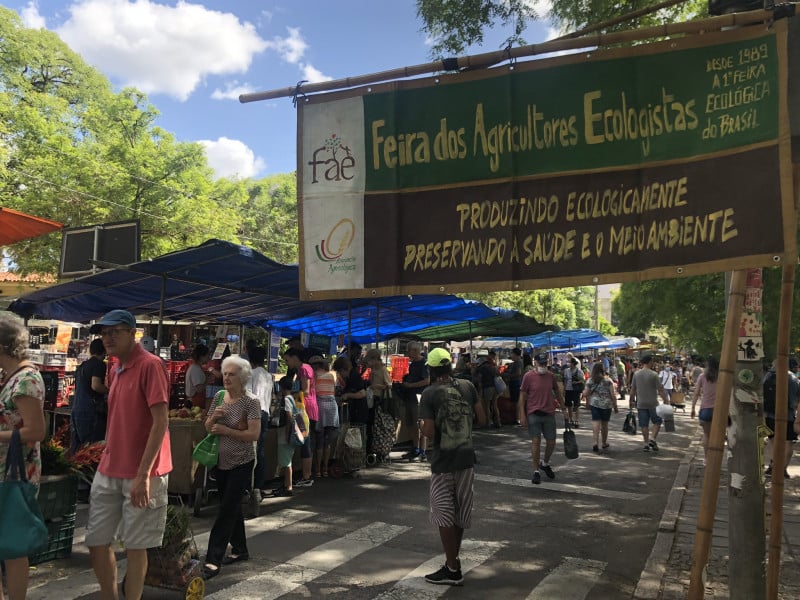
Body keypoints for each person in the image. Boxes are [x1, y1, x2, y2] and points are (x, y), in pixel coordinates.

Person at [85, 309, 172, 600]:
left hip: (143, 472)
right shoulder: (114, 367)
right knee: (97, 541)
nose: (107, 338)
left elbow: (161, 421)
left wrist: (143, 474)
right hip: (109, 468)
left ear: (132, 333)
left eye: (115, 332)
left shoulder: (150, 365)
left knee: (136, 546)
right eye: (104, 333)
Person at [419, 347, 484, 586]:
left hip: (443, 461)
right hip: (467, 459)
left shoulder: (429, 393)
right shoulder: (468, 387)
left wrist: (426, 425)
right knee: (458, 513)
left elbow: (428, 430)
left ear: (432, 369)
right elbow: (483, 418)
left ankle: (453, 568)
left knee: (443, 513)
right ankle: (451, 562)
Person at [0, 315, 46, 600]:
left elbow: (36, 430)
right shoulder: (12, 376)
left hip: (15, 473)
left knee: (13, 545)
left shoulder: (26, 378)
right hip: (7, 471)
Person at [202, 355, 260, 579]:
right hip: (221, 460)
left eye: (232, 374)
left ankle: (213, 559)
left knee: (226, 509)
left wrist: (227, 431)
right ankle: (240, 549)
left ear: (243, 377)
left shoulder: (251, 401)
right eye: (225, 373)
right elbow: (208, 428)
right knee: (232, 506)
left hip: (242, 462)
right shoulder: (218, 397)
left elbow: (254, 434)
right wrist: (213, 419)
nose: (226, 378)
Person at [519, 353, 566, 484]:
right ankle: (536, 471)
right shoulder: (528, 377)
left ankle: (544, 463)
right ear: (535, 363)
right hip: (533, 413)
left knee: (551, 442)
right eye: (541, 364)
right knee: (536, 442)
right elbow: (522, 395)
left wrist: (564, 409)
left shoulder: (550, 376)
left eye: (545, 363)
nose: (543, 366)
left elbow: (557, 392)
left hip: (549, 413)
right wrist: (522, 414)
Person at [283, 348, 317, 486]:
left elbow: (306, 391)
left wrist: (290, 396)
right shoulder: (304, 368)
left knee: (305, 443)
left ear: (294, 357)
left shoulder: (303, 369)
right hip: (306, 409)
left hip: (304, 410)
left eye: (287, 360)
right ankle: (306, 474)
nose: (286, 363)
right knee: (305, 443)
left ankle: (306, 476)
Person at [71, 338, 109, 455]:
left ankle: (75, 471)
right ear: (104, 351)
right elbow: (96, 385)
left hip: (76, 409)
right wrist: (111, 391)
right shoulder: (99, 365)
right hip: (90, 411)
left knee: (78, 448)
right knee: (92, 448)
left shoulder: (82, 366)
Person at [763, 358, 799, 479]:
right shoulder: (794, 379)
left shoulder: (769, 376)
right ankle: (783, 468)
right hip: (789, 415)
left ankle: (773, 465)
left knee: (772, 440)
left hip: (771, 415)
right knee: (789, 442)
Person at [247, 346, 273, 497]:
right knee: (260, 450)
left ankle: (248, 483)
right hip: (265, 413)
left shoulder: (251, 374)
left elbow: (248, 396)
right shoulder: (268, 375)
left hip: (254, 413)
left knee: (250, 449)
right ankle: (258, 484)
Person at [630, 354, 669, 452]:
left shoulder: (636, 374)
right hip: (653, 403)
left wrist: (631, 400)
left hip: (641, 403)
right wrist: (666, 400)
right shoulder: (654, 374)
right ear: (650, 362)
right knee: (657, 421)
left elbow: (633, 389)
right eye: (652, 361)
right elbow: (660, 389)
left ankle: (646, 443)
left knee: (644, 424)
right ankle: (653, 438)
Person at [309, 355, 339, 477]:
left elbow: (313, 392)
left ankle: (317, 470)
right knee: (327, 441)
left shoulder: (314, 376)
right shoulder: (331, 375)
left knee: (319, 439)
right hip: (332, 406)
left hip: (320, 406)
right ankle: (325, 468)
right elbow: (333, 391)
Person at [401, 342, 430, 460]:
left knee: (420, 424)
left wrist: (411, 385)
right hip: (410, 397)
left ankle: (422, 451)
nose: (408, 352)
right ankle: (415, 448)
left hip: (419, 397)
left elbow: (427, 381)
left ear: (416, 351)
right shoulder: (412, 364)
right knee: (411, 424)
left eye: (409, 350)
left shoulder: (424, 364)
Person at [270, 377, 298, 497]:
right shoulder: (292, 398)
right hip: (290, 434)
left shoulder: (286, 399)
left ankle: (289, 487)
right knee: (287, 461)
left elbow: (289, 417)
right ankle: (286, 484)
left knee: (286, 462)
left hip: (286, 434)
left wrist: (287, 434)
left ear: (281, 387)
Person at [582, 362, 618, 453]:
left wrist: (583, 393)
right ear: (603, 370)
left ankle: (595, 442)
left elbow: (586, 393)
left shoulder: (590, 380)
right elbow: (613, 394)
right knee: (605, 424)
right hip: (607, 405)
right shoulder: (608, 380)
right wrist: (615, 405)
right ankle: (604, 442)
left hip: (595, 404)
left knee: (595, 422)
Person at [691, 355, 718, 466]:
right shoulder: (723, 376)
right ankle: (716, 459)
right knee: (717, 435)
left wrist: (693, 408)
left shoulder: (702, 376)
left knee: (707, 435)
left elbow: (696, 393)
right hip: (719, 411)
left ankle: (707, 459)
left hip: (705, 409)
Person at [185, 344, 213, 410]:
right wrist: (207, 380)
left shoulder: (197, 368)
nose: (209, 358)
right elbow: (199, 389)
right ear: (201, 356)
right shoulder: (195, 369)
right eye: (207, 355)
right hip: (195, 404)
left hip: (197, 403)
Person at [476, 351, 498, 428]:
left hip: (487, 387)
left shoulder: (481, 368)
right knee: (495, 405)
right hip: (494, 387)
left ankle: (488, 422)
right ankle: (498, 422)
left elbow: (479, 379)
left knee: (486, 406)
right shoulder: (492, 366)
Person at [503, 348, 524, 428]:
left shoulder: (518, 362)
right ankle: (516, 418)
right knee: (515, 402)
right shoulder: (514, 363)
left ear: (515, 354)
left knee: (517, 402)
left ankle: (518, 419)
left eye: (512, 353)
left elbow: (518, 374)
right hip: (513, 383)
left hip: (516, 383)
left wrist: (508, 375)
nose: (511, 355)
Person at [562, 357, 584, 429]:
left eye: (570, 362)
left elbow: (582, 380)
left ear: (574, 364)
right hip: (568, 389)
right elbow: (565, 381)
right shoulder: (566, 371)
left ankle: (576, 420)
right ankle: (571, 419)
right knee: (569, 406)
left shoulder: (579, 371)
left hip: (576, 390)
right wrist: (564, 390)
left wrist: (576, 382)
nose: (568, 363)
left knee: (576, 405)